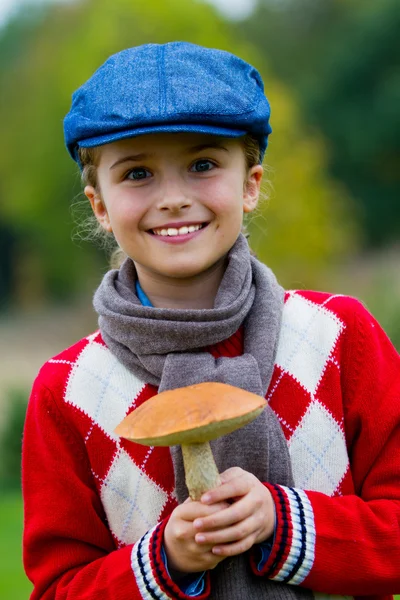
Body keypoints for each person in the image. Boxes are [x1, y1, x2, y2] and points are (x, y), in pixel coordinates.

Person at [22, 42, 400, 600]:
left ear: (250, 184)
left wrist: (284, 523)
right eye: (137, 173)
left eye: (203, 165)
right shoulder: (68, 390)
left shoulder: (338, 336)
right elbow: (59, 588)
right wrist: (164, 559)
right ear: (99, 205)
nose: (173, 198)